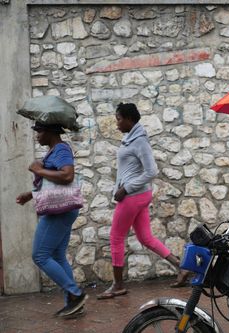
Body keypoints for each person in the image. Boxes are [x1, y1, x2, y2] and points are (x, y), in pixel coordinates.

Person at [97, 103, 188, 300]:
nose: (117, 123)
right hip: (138, 195)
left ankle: (118, 285)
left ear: (130, 119)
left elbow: (152, 171)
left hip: (133, 196)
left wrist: (125, 189)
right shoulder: (130, 138)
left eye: (119, 119)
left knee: (115, 238)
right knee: (145, 238)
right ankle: (181, 267)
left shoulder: (139, 141)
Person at [16, 122, 87, 318]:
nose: (37, 135)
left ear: (50, 132)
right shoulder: (54, 151)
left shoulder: (61, 149)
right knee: (56, 256)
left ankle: (75, 293)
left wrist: (38, 170)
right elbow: (51, 185)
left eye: (39, 131)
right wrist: (30, 194)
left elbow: (66, 175)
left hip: (59, 212)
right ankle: (73, 304)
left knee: (40, 255)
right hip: (62, 210)